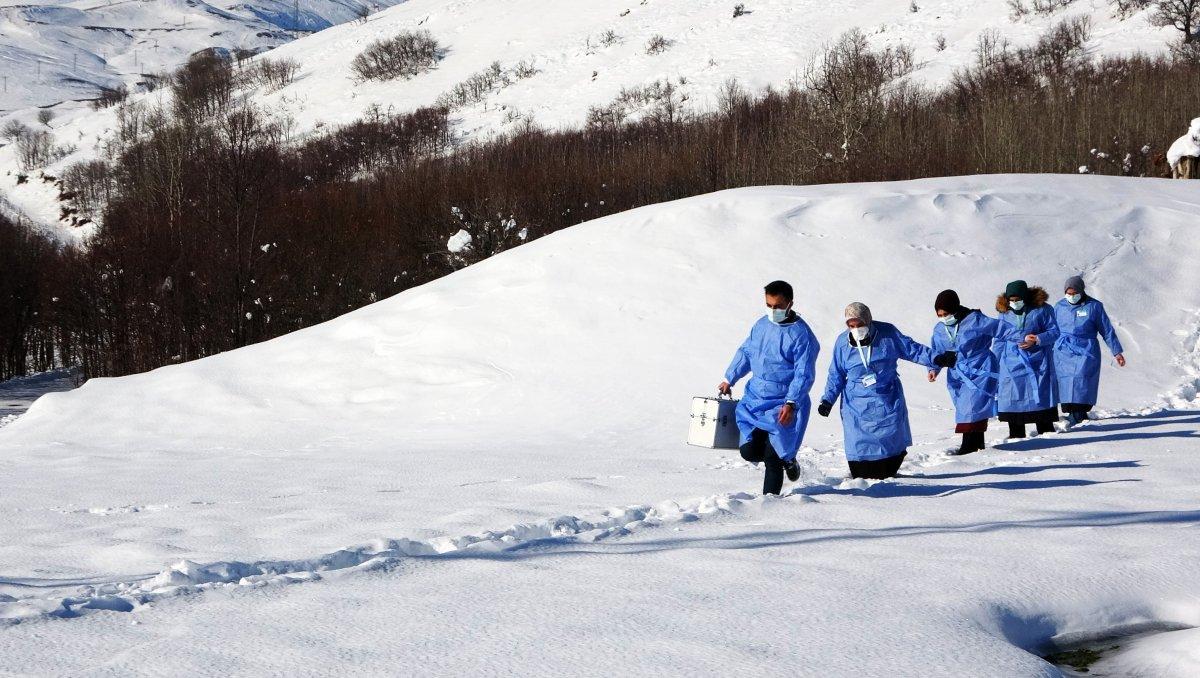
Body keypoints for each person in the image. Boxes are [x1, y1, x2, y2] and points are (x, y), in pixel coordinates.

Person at [817, 302, 955, 479]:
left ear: (869, 320)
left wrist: (938, 358)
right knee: (860, 451)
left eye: (860, 325)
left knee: (891, 447)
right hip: (856, 406)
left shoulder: (888, 334)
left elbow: (913, 349)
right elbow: (836, 374)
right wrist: (828, 399)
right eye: (851, 326)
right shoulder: (842, 344)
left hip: (887, 401)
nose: (856, 329)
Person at [719, 280, 820, 495]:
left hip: (784, 402)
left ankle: (770, 506)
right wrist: (730, 378)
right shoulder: (761, 325)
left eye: (778, 306)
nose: (773, 310)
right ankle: (788, 457)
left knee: (772, 458)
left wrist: (792, 402)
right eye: (769, 305)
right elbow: (746, 352)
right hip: (756, 398)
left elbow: (804, 373)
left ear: (790, 304)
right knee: (749, 451)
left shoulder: (802, 335)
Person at [928, 289, 1025, 455]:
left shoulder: (975, 320)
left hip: (980, 368)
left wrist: (1022, 337)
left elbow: (1000, 328)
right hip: (957, 373)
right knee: (967, 408)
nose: (943, 317)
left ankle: (969, 446)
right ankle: (978, 443)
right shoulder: (939, 329)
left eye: (946, 313)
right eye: (940, 314)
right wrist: (933, 368)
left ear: (954, 309)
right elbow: (936, 350)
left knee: (971, 406)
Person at [1052, 275, 1126, 428]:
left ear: (1081, 291)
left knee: (1082, 379)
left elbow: (1106, 330)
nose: (1071, 297)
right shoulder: (1059, 306)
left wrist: (1116, 352)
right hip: (1063, 350)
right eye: (1069, 293)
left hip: (1086, 348)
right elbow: (1051, 329)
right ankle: (1072, 413)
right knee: (1065, 380)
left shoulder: (1094, 306)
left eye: (1074, 293)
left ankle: (1079, 413)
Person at [994, 280, 1060, 439]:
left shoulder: (1042, 309)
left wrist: (1037, 339)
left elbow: (1055, 332)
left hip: (1038, 361)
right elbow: (999, 339)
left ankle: (1047, 438)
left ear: (1025, 297)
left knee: (1041, 401)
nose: (1014, 303)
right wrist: (995, 363)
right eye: (1012, 300)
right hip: (1011, 363)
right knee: (1013, 400)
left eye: (1018, 299)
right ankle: (1016, 439)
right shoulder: (1004, 313)